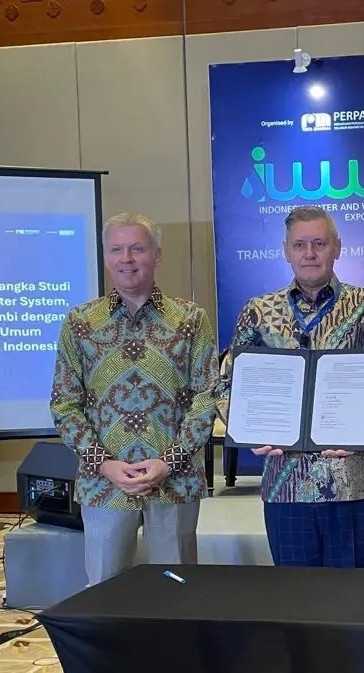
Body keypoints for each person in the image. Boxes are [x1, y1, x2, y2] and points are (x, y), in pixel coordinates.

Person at [217, 205, 364, 568]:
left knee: (353, 604)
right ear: (286, 249)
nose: (309, 253)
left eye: (319, 243)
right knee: (295, 604)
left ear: (337, 247)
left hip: (352, 485)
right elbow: (228, 387)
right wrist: (248, 429)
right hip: (285, 487)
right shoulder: (258, 310)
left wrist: (361, 430)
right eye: (300, 244)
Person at [50, 212, 218, 586]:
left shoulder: (190, 319)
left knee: (176, 591)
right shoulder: (80, 322)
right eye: (117, 249)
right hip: (104, 482)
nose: (127, 258)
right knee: (104, 593)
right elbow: (64, 404)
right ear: (106, 257)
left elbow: (207, 398)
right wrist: (104, 464)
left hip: (175, 481)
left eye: (137, 248)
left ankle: (175, 648)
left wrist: (168, 462)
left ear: (157, 254)